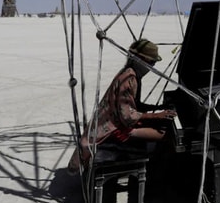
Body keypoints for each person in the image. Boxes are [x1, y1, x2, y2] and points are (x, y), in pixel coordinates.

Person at [68, 38, 177, 174]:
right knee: (165, 134)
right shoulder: (129, 78)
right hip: (113, 129)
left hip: (117, 122)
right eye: (151, 62)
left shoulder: (131, 74)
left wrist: (157, 108)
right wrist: (156, 115)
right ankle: (157, 172)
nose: (152, 66)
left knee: (160, 126)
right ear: (140, 60)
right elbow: (128, 117)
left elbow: (135, 105)